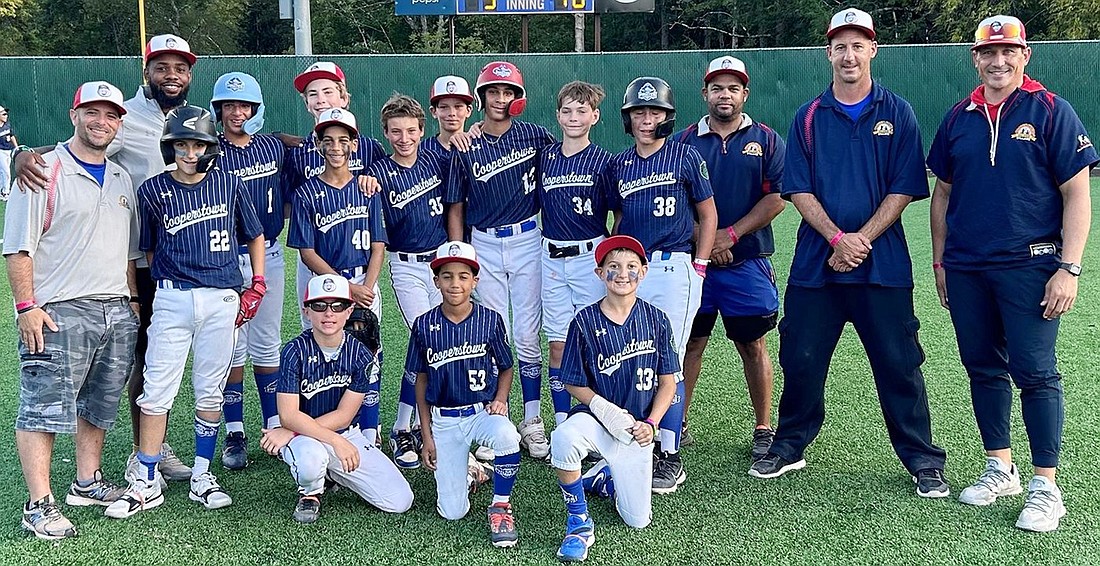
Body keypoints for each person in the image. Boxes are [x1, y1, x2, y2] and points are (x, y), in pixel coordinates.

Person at [749, 8, 949, 499]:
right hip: (817, 268)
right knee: (801, 357)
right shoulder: (809, 116)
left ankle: (923, 460)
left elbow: (904, 188)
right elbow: (798, 189)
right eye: (841, 45)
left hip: (883, 268)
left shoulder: (897, 111)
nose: (849, 54)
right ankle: (790, 445)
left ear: (873, 50)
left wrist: (860, 241)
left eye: (858, 44)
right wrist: (838, 240)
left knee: (899, 363)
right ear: (829, 53)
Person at [927, 15, 1097, 532]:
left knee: (1035, 370)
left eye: (1008, 52)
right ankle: (1000, 467)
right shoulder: (959, 117)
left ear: (1025, 56)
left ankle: (1047, 486)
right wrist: (940, 262)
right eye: (987, 53)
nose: (997, 61)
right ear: (975, 59)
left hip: (1032, 264)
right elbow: (943, 193)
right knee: (982, 367)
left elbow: (1077, 193)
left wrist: (1069, 268)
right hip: (968, 267)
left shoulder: (1051, 111)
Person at [14, 33, 198, 483]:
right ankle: (142, 452)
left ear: (190, 74)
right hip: (137, 260)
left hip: (182, 256)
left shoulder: (196, 117)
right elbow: (73, 148)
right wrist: (20, 154)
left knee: (160, 359)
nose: (171, 75)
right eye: (161, 67)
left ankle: (144, 449)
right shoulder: (124, 116)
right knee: (140, 359)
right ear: (146, 71)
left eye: (180, 68)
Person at [105, 106, 267, 518]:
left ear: (210, 146)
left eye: (197, 144)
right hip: (173, 297)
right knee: (157, 388)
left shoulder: (229, 184)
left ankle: (201, 474)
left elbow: (255, 235)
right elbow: (150, 248)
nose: (190, 152)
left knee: (209, 389)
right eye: (182, 144)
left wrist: (258, 282)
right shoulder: (154, 190)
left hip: (221, 297)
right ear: (169, 146)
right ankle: (145, 478)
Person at [3, 82, 138, 539]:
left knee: (98, 404)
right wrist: (26, 307)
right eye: (92, 113)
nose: (103, 122)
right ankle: (38, 505)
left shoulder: (121, 178)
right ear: (73, 115)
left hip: (115, 307)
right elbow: (18, 248)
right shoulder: (42, 170)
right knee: (44, 408)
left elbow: (126, 253)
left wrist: (132, 304)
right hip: (59, 309)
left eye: (111, 115)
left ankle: (87, 482)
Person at [608, 76, 717, 493]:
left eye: (655, 112)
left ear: (668, 117)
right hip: (632, 270)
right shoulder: (621, 163)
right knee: (631, 353)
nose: (647, 119)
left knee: (667, 359)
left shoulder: (685, 156)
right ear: (628, 118)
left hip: (674, 268)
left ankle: (669, 453)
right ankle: (638, 439)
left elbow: (708, 215)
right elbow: (618, 220)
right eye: (639, 112)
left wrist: (700, 264)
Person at [675, 56, 785, 458]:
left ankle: (762, 426)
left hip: (748, 262)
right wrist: (706, 240)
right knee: (689, 344)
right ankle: (677, 423)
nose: (725, 95)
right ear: (705, 93)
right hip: (695, 263)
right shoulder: (684, 141)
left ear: (745, 94)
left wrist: (730, 236)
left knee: (753, 345)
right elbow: (672, 199)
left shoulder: (768, 139)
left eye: (733, 87)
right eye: (717, 87)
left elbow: (777, 199)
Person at [445, 61, 556, 459]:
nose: (500, 99)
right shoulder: (466, 145)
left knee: (527, 334)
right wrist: (460, 255)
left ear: (518, 98)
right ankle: (499, 416)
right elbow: (455, 206)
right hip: (484, 244)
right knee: (493, 331)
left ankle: (532, 418)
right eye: (493, 91)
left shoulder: (536, 136)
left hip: (527, 237)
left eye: (508, 92)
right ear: (482, 97)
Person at [549, 235, 678, 561]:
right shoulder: (584, 321)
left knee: (638, 521)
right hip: (595, 421)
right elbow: (571, 382)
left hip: (638, 430)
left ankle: (603, 477)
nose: (622, 274)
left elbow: (668, 383)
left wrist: (652, 423)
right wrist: (602, 407)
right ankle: (578, 521)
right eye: (613, 267)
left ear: (643, 272)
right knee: (563, 438)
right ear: (599, 273)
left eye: (631, 267)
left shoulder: (657, 319)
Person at [258, 274, 413, 523]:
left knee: (399, 500)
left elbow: (345, 415)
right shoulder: (293, 351)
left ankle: (333, 474)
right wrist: (321, 438)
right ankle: (311, 493)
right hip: (304, 434)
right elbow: (288, 415)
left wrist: (289, 432)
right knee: (311, 460)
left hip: (335, 431)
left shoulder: (361, 354)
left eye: (337, 305)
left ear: (350, 309)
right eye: (319, 305)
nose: (328, 313)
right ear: (306, 311)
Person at [408, 241, 523, 548]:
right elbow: (420, 382)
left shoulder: (489, 319)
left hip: (480, 413)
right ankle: (472, 474)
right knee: (452, 512)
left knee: (508, 436)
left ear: (475, 280)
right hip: (444, 420)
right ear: (436, 281)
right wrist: (427, 435)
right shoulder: (424, 324)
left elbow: (507, 366)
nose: (455, 283)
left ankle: (501, 506)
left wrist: (500, 398)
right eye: (447, 276)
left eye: (463, 276)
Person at [288, 108, 387, 446]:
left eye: (343, 140)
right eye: (327, 140)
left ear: (354, 145)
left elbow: (378, 246)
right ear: (317, 145)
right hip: (325, 283)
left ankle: (369, 432)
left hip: (364, 280)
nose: (335, 147)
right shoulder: (306, 192)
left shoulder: (368, 189)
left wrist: (366, 289)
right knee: (320, 354)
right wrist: (347, 289)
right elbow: (306, 251)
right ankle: (319, 430)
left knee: (369, 352)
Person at [209, 71, 288, 470]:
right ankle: (235, 431)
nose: (237, 113)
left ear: (256, 109)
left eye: (244, 106)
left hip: (269, 253)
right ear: (218, 108)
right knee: (232, 346)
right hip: (223, 256)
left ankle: (274, 423)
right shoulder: (209, 148)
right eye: (229, 105)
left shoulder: (272, 147)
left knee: (266, 342)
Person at [367, 94, 449, 469]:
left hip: (441, 263)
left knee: (443, 342)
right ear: (385, 133)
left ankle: (423, 424)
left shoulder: (435, 159)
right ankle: (403, 427)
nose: (404, 138)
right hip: (407, 266)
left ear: (422, 130)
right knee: (426, 339)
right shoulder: (379, 173)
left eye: (411, 130)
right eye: (396, 131)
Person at [282, 62, 387, 326]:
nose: (321, 100)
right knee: (317, 331)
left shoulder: (368, 147)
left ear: (344, 97)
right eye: (313, 94)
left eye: (328, 92)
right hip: (317, 255)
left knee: (366, 338)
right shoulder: (298, 152)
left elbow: (389, 177)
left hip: (359, 257)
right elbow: (292, 203)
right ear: (306, 103)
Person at [538, 81, 614, 425]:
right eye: (567, 110)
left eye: (582, 110)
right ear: (557, 115)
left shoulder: (604, 161)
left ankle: (598, 416)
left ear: (595, 116)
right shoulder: (546, 156)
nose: (573, 117)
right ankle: (562, 420)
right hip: (551, 257)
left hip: (589, 256)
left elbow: (619, 212)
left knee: (594, 341)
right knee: (557, 344)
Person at [422, 75, 474, 157]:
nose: (452, 113)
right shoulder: (421, 151)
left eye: (458, 107)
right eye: (444, 107)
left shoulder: (478, 148)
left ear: (468, 110)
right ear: (434, 111)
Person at [0, 104, 16, 198]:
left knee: (3, 172)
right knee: (6, 172)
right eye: (3, 114)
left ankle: (2, 191)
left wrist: (16, 147)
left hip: (8, 150)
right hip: (0, 151)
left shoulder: (7, 125)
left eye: (6, 114)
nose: (6, 116)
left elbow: (11, 135)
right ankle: (6, 192)